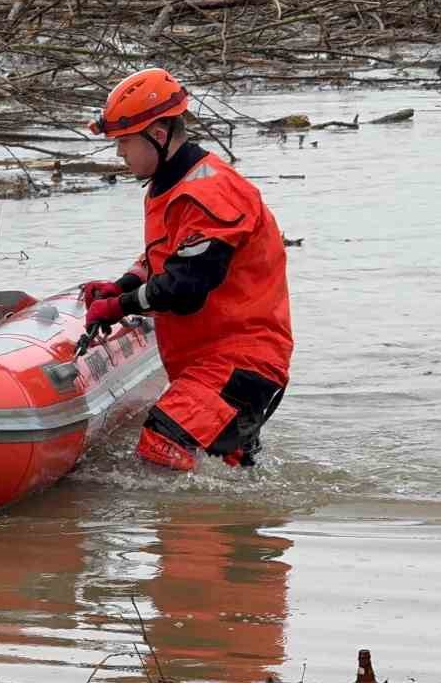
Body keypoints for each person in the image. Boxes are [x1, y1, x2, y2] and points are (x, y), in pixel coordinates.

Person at [82, 68, 293, 471]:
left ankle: (183, 530)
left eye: (124, 141)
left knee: (162, 447)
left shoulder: (209, 194)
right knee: (224, 471)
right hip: (211, 362)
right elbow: (166, 258)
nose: (119, 154)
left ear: (158, 135)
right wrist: (122, 285)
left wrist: (121, 306)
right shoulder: (172, 186)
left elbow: (186, 285)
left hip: (239, 361)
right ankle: (230, 528)